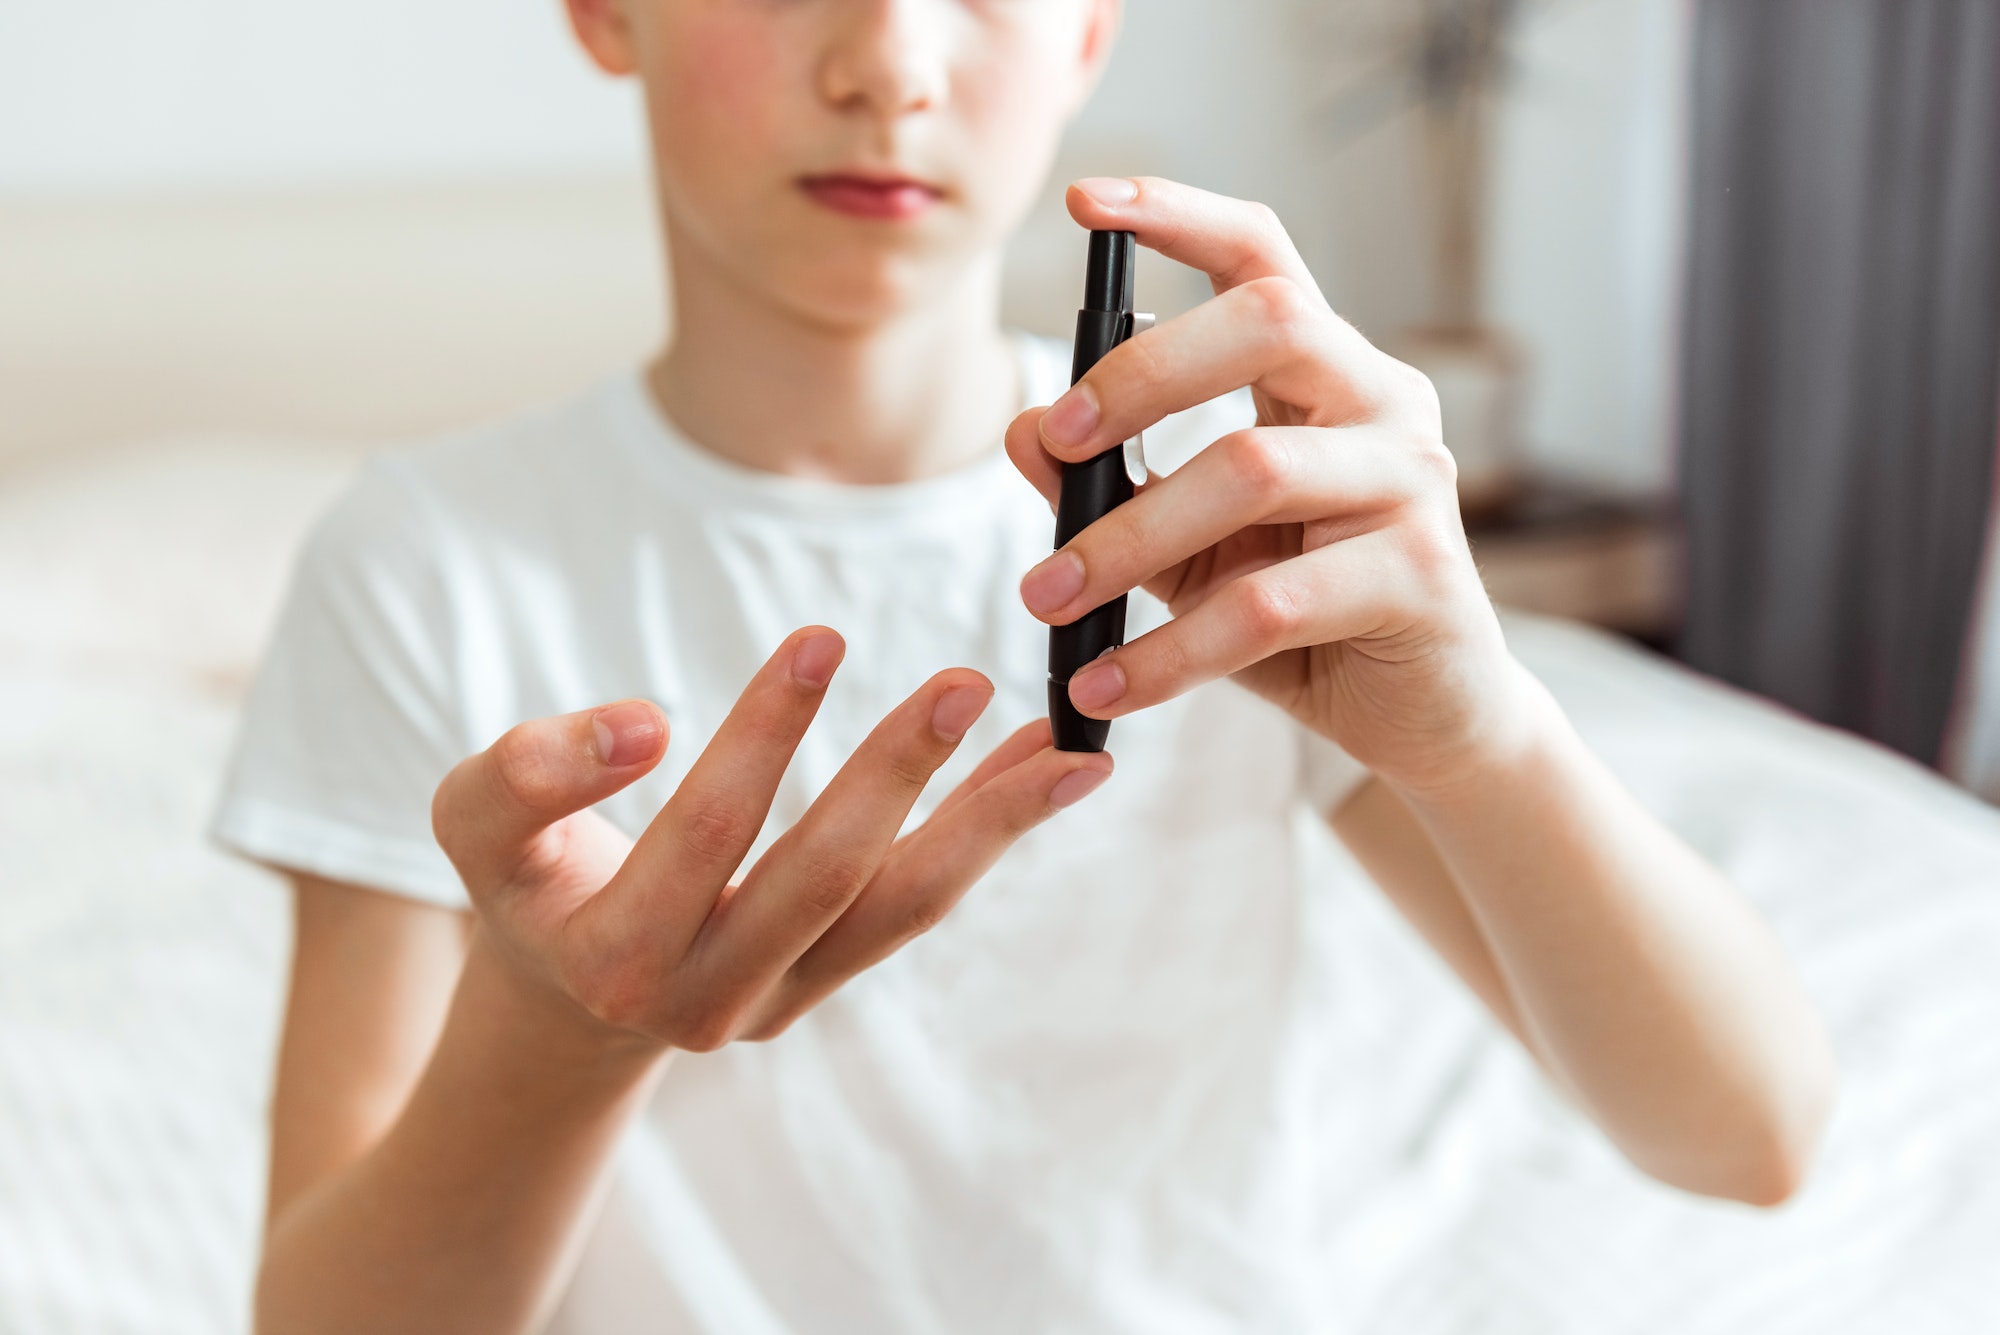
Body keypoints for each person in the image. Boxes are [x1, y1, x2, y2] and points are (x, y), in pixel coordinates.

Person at [212, 1, 1837, 1330]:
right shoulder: (426, 562)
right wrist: (553, 1038)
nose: (891, 64)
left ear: (1089, 38)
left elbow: (1748, 1138)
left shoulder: (1235, 528)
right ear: (600, 15)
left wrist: (1484, 733)